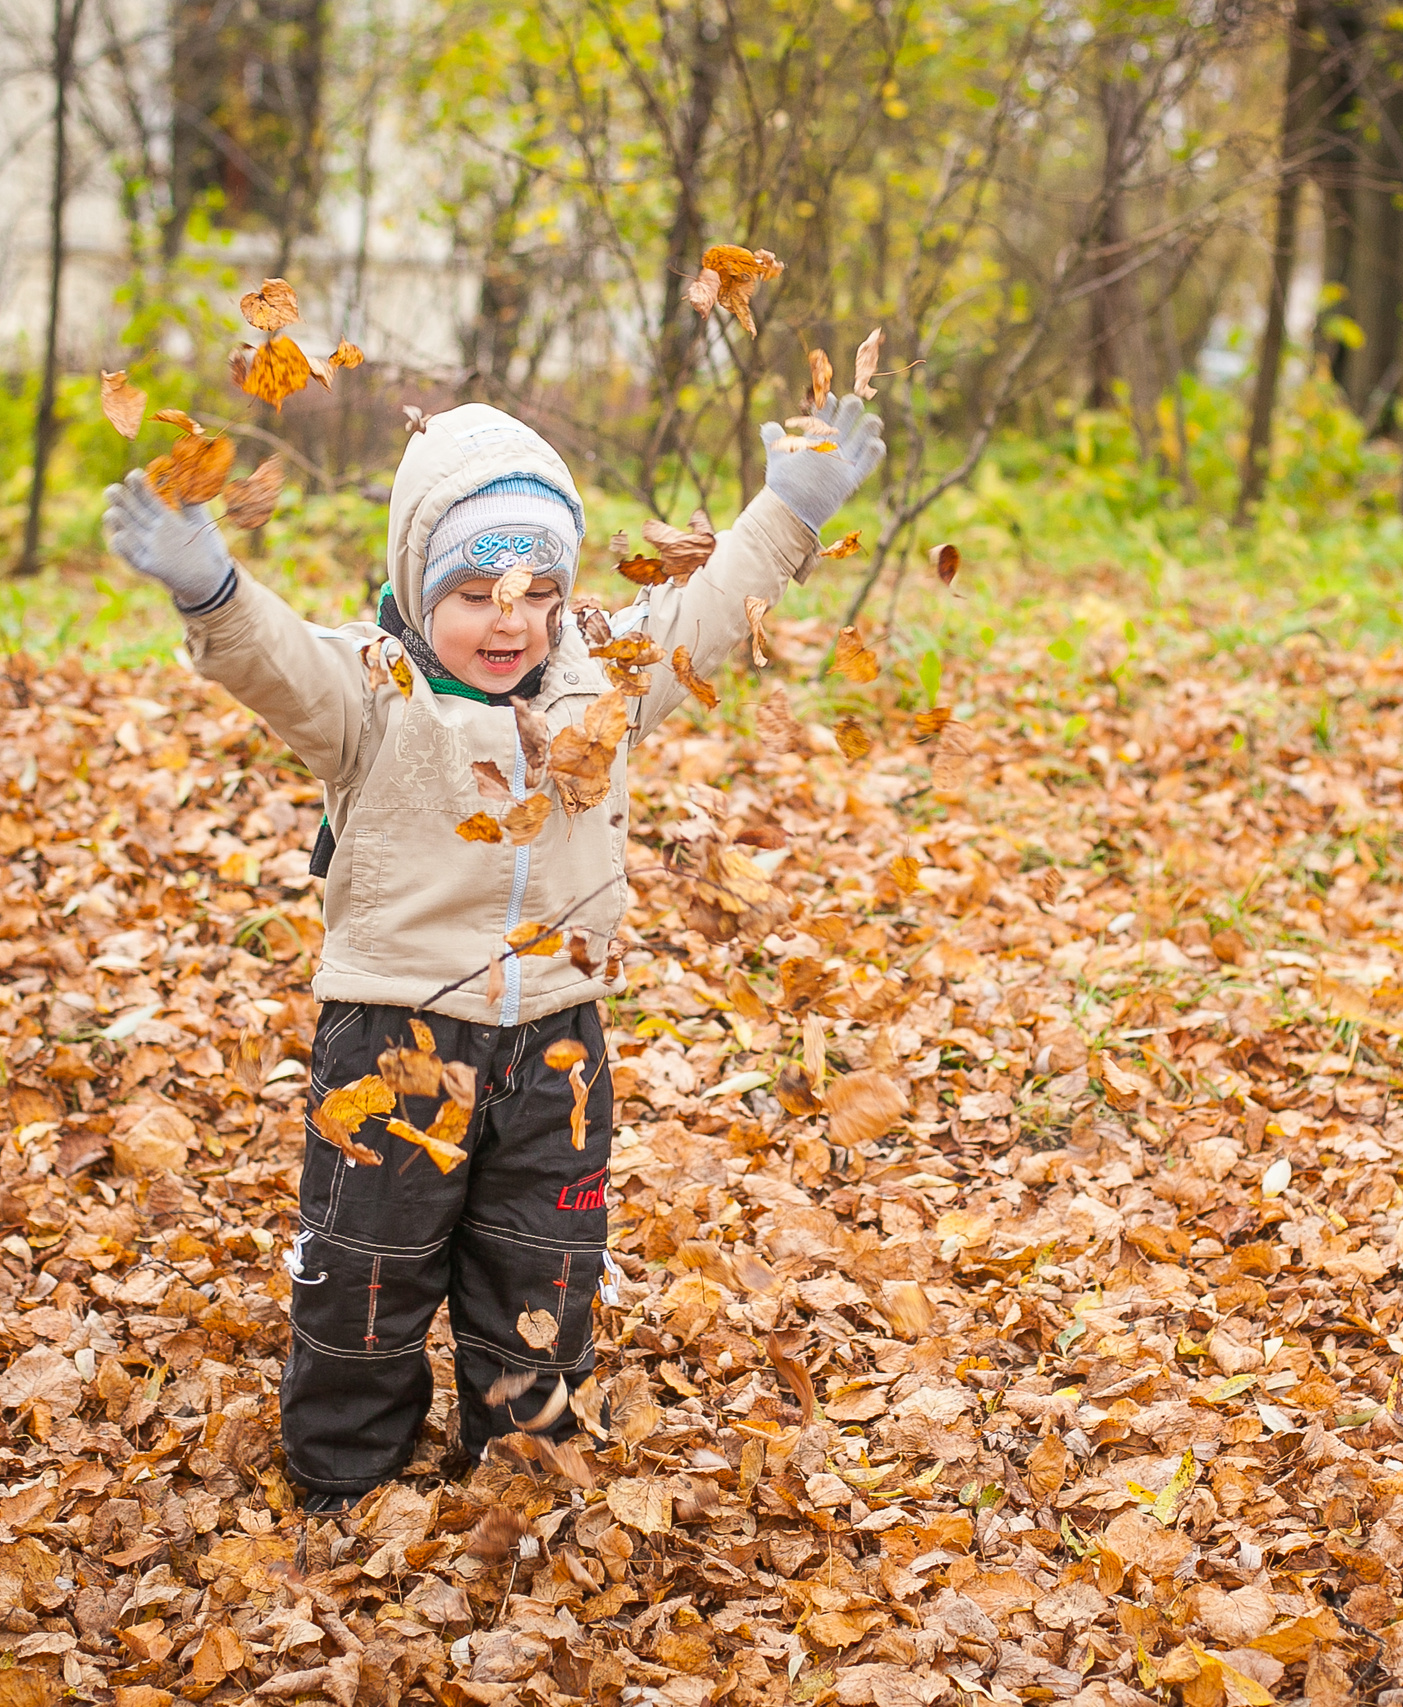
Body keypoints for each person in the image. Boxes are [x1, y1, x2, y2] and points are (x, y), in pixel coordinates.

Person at [101, 399, 884, 1512]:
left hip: (555, 1048)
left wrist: (791, 508)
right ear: (421, 587)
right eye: (473, 595)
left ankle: (518, 1472)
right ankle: (345, 1476)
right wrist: (213, 590)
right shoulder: (374, 694)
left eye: (537, 593)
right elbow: (279, 665)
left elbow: (708, 614)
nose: (508, 623)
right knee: (367, 1269)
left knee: (541, 1272)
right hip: (395, 1039)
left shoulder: (599, 682)